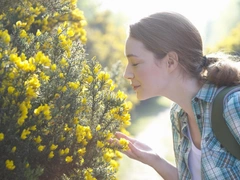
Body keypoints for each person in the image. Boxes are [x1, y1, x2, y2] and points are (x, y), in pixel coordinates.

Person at [114, 12, 240, 180]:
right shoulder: (178, 114)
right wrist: (154, 160)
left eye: (135, 63)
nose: (126, 74)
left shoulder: (233, 105)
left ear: (171, 61)